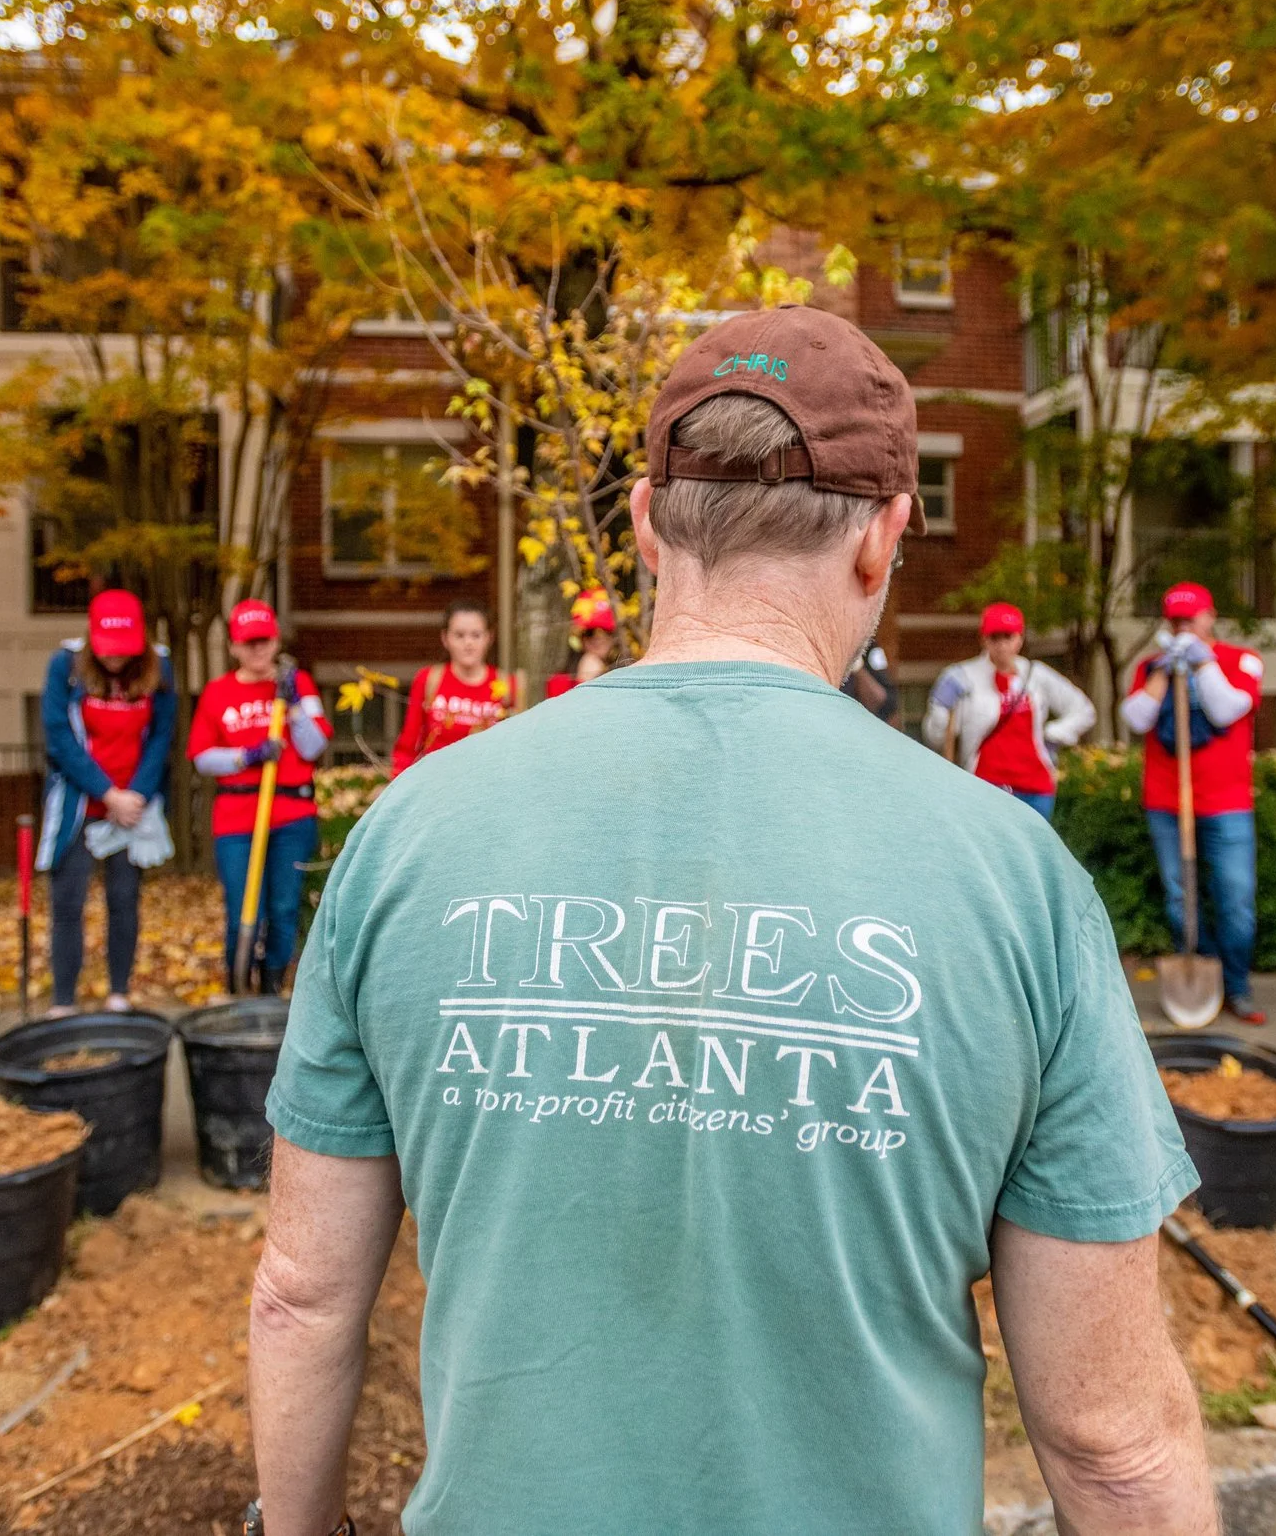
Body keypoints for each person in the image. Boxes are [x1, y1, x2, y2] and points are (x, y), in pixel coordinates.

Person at [249, 305, 1212, 1536]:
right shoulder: (1013, 878)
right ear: (884, 535)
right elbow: (1112, 1438)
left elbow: (302, 1295)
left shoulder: (409, 830)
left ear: (648, 525)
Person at [1121, 582, 1269, 1025]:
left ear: (1210, 617)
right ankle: (1204, 973)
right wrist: (1165, 674)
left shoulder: (1242, 660)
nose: (1184, 627)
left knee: (1235, 897)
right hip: (1168, 801)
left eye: (1192, 618)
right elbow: (1135, 718)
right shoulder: (1151, 666)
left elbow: (1227, 710)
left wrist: (1203, 665)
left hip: (1227, 802)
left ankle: (1238, 986)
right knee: (1179, 896)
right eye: (1176, 620)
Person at [36, 589, 176, 1016]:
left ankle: (118, 992)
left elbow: (161, 739)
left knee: (123, 898)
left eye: (124, 652)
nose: (115, 660)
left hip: (133, 805)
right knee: (68, 901)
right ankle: (64, 1000)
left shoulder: (160, 668)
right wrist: (106, 793)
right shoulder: (65, 667)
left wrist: (135, 796)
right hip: (80, 802)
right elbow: (59, 738)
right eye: (108, 652)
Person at [187, 599, 328, 994]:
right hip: (237, 817)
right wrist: (244, 756)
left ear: (275, 640)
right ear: (233, 646)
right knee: (243, 911)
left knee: (284, 909)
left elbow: (314, 747)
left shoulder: (298, 685)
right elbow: (201, 758)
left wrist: (295, 708)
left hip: (291, 815)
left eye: (263, 640)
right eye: (248, 643)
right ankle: (237, 986)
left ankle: (271, 990)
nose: (257, 650)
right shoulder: (218, 693)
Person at [921, 603, 1097, 818]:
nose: (1002, 645)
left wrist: (1054, 734)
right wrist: (940, 708)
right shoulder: (963, 676)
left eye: (1008, 636)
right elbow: (936, 738)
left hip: (1036, 786)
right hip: (986, 786)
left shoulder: (1036, 675)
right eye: (995, 637)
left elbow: (1084, 710)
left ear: (1019, 639)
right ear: (983, 640)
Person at [391, 601, 518, 772]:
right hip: (435, 783)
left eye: (476, 635)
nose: (468, 643)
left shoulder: (507, 685)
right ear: (445, 638)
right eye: (459, 635)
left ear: (489, 638)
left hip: (488, 785)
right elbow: (408, 745)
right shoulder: (428, 680)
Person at [542, 588, 618, 699]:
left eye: (606, 631)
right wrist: (583, 681)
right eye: (590, 632)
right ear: (579, 637)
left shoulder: (625, 675)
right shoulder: (558, 682)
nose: (599, 638)